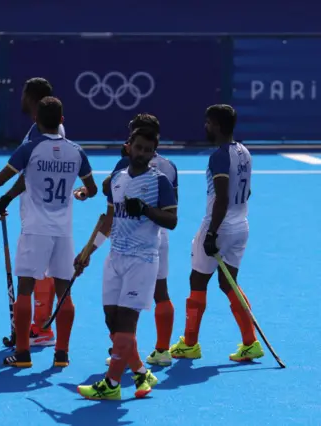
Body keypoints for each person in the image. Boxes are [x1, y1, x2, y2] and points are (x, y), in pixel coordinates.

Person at [0, 96, 97, 367]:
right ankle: (62, 354)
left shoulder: (29, 149)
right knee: (64, 293)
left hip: (35, 229)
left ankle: (22, 353)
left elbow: (0, 179)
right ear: (62, 120)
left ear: (36, 120)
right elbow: (91, 189)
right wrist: (80, 193)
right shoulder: (76, 151)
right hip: (64, 232)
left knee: (25, 290)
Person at [76, 127, 177, 400]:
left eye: (148, 150)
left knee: (126, 324)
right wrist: (88, 252)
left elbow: (172, 221)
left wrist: (145, 210)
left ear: (153, 153)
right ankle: (141, 372)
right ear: (128, 146)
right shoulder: (117, 179)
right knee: (112, 321)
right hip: (115, 259)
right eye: (139, 147)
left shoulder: (160, 182)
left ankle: (111, 385)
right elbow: (108, 221)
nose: (142, 154)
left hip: (142, 261)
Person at [169, 104, 264, 362]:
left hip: (219, 226)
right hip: (240, 226)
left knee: (198, 282)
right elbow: (247, 191)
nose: (206, 126)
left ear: (218, 126)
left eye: (208, 122)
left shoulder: (219, 156)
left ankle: (189, 344)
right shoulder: (245, 152)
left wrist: (211, 234)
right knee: (228, 283)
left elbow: (221, 197)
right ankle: (250, 342)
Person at [0, 77, 74, 347]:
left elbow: (22, 175)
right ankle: (42, 328)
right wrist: (7, 199)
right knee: (49, 272)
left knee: (33, 276)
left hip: (40, 216)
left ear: (34, 100)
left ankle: (38, 329)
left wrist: (3, 195)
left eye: (24, 93)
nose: (21, 98)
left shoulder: (38, 137)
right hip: (49, 215)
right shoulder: (48, 130)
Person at [103, 114, 178, 367]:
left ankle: (121, 358)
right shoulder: (170, 166)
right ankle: (162, 350)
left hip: (143, 240)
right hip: (159, 237)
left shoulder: (129, 165)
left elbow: (107, 190)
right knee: (161, 292)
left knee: (127, 311)